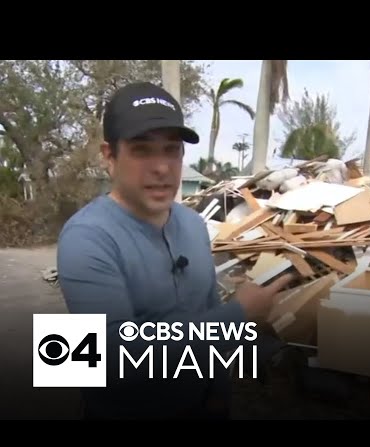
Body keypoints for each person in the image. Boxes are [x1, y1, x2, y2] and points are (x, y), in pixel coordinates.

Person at [56, 81, 294, 420]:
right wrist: (238, 316)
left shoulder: (193, 225)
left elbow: (207, 310)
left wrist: (219, 398)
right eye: (142, 150)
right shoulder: (85, 238)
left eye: (172, 149)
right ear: (109, 156)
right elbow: (110, 361)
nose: (162, 167)